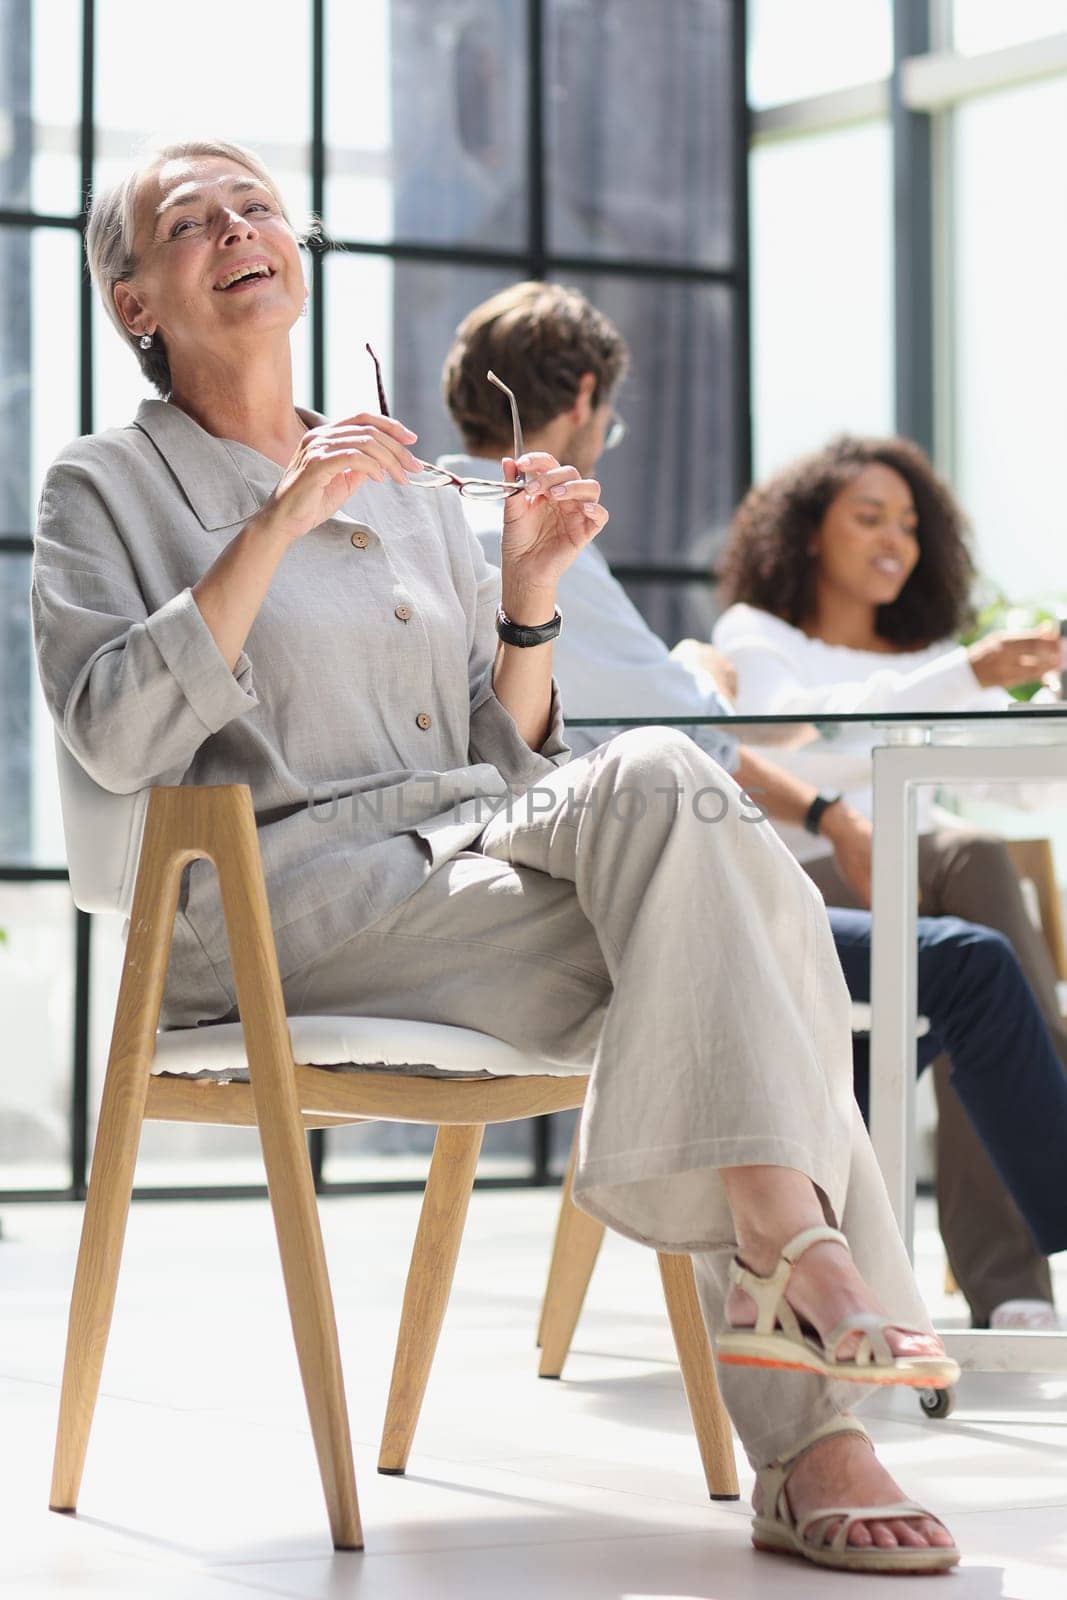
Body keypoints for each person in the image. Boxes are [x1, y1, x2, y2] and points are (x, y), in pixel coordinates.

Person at [32, 141, 961, 1576]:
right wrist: (278, 523)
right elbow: (108, 731)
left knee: (663, 784)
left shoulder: (404, 485)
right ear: (134, 300)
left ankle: (792, 1277)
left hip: (466, 852)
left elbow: (503, 746)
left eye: (257, 205)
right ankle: (813, 1404)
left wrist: (525, 592)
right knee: (753, 925)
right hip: (277, 903)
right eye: (190, 221)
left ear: (298, 247)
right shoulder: (103, 486)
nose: (237, 228)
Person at [440, 280, 1067, 1337]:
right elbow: (698, 729)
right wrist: (816, 798)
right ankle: (944, 1265)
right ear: (587, 395)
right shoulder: (529, 529)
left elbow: (669, 726)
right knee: (967, 961)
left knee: (954, 919)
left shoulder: (429, 517)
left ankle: (945, 1267)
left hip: (580, 863)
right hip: (646, 891)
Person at [714, 437, 1067, 1330]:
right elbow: (786, 738)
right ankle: (1018, 1270)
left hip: (929, 895)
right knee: (974, 878)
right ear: (805, 535)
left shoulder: (932, 650)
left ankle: (1014, 1287)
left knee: (976, 898)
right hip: (805, 886)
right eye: (867, 517)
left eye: (908, 525)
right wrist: (969, 673)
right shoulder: (758, 636)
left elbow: (1016, 783)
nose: (894, 540)